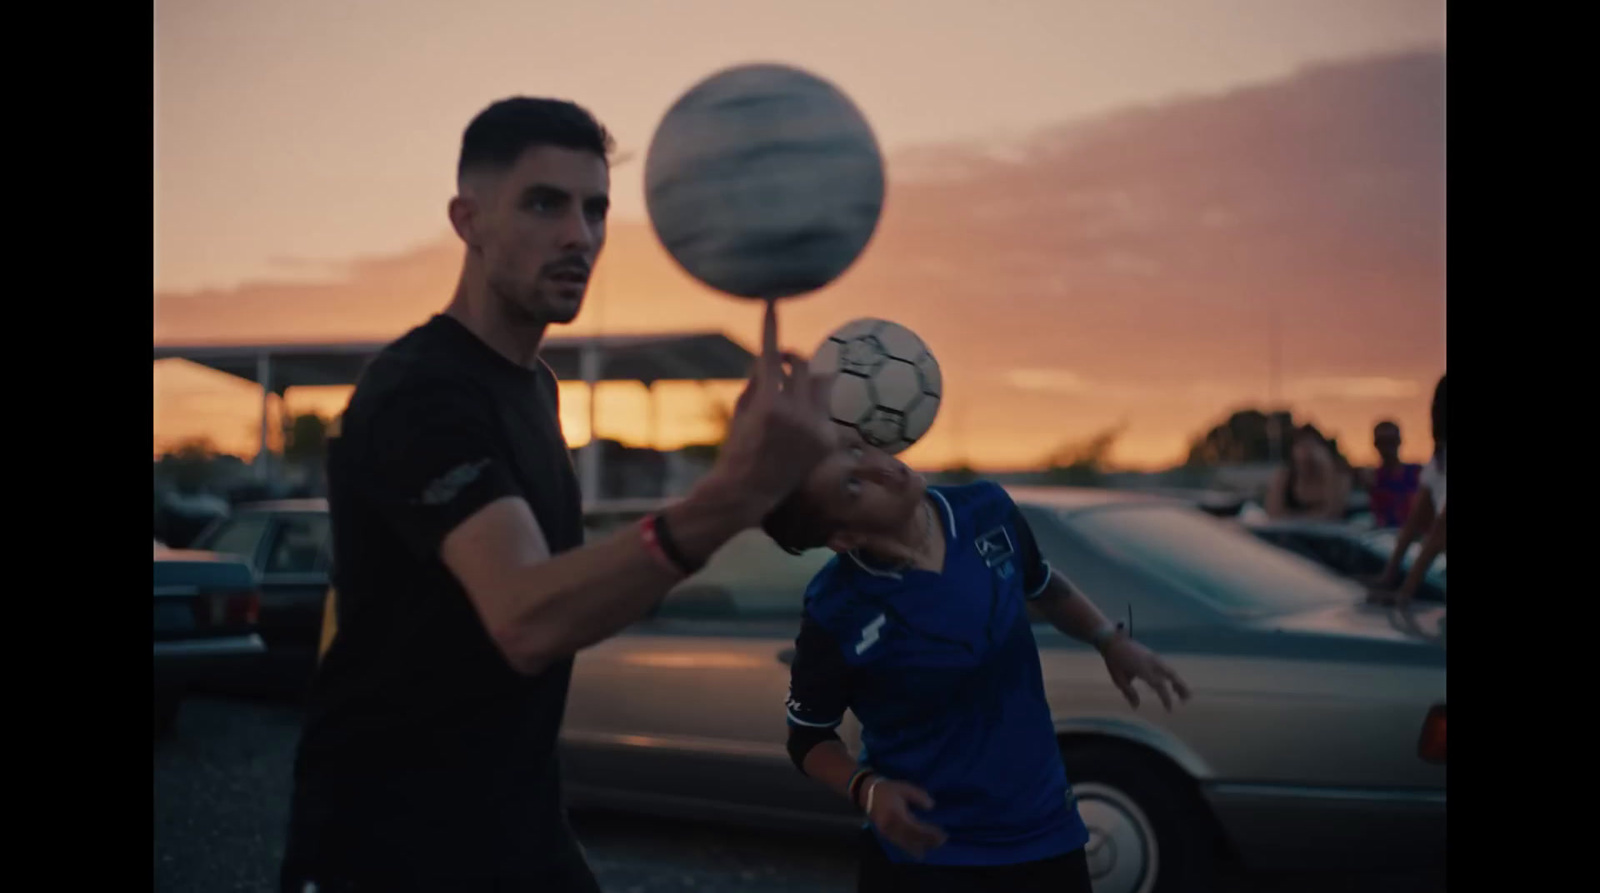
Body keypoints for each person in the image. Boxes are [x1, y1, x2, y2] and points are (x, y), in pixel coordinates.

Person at [279, 97, 839, 893]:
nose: (581, 235)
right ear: (467, 219)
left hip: (514, 827)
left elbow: (565, 605)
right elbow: (526, 617)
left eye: (596, 208)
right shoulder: (418, 392)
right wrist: (730, 493)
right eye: (545, 203)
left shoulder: (536, 390)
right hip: (387, 846)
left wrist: (773, 494)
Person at [766, 428, 1191, 892]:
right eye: (853, 484)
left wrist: (1108, 639)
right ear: (845, 536)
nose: (880, 466)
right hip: (924, 853)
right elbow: (807, 737)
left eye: (856, 449)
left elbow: (1041, 583)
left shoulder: (985, 509)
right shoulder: (836, 607)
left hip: (1046, 830)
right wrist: (867, 789)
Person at [1368, 374, 1445, 609]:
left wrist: (1403, 593)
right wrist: (1389, 578)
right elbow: (1414, 525)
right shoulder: (1436, 464)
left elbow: (1436, 535)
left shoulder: (1434, 464)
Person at [1264, 424, 1352, 521]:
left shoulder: (1337, 477)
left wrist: (1328, 469)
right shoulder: (1284, 477)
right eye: (1302, 445)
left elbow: (1335, 513)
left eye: (1312, 445)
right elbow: (1273, 514)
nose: (1307, 452)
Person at [1360, 421, 1422, 529]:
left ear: (1399, 441)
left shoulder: (1418, 473)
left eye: (1391, 441)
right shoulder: (1372, 478)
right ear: (1375, 444)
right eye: (1382, 442)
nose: (1387, 448)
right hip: (1383, 535)